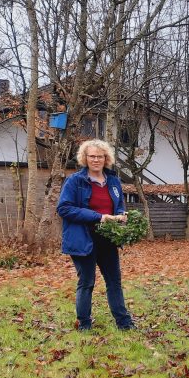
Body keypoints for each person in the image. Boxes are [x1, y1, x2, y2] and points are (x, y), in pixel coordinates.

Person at [56, 139, 135, 331]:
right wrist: (99, 217)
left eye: (100, 156)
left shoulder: (113, 181)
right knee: (87, 282)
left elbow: (118, 206)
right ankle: (84, 324)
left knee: (114, 282)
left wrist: (121, 215)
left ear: (106, 158)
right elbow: (64, 208)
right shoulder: (75, 181)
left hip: (108, 239)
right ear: (85, 158)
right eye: (92, 156)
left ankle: (124, 323)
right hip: (83, 238)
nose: (96, 160)